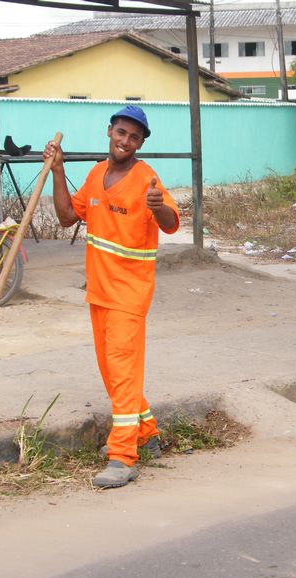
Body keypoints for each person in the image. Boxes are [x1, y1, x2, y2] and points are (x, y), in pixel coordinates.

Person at [43, 105, 180, 489]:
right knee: (112, 371)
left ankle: (123, 456)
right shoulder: (96, 174)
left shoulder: (146, 179)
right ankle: (147, 433)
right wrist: (57, 171)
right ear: (110, 132)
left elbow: (169, 221)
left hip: (129, 294)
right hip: (99, 292)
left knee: (121, 370)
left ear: (140, 143)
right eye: (122, 133)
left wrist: (159, 208)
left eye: (134, 137)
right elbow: (68, 216)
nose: (126, 141)